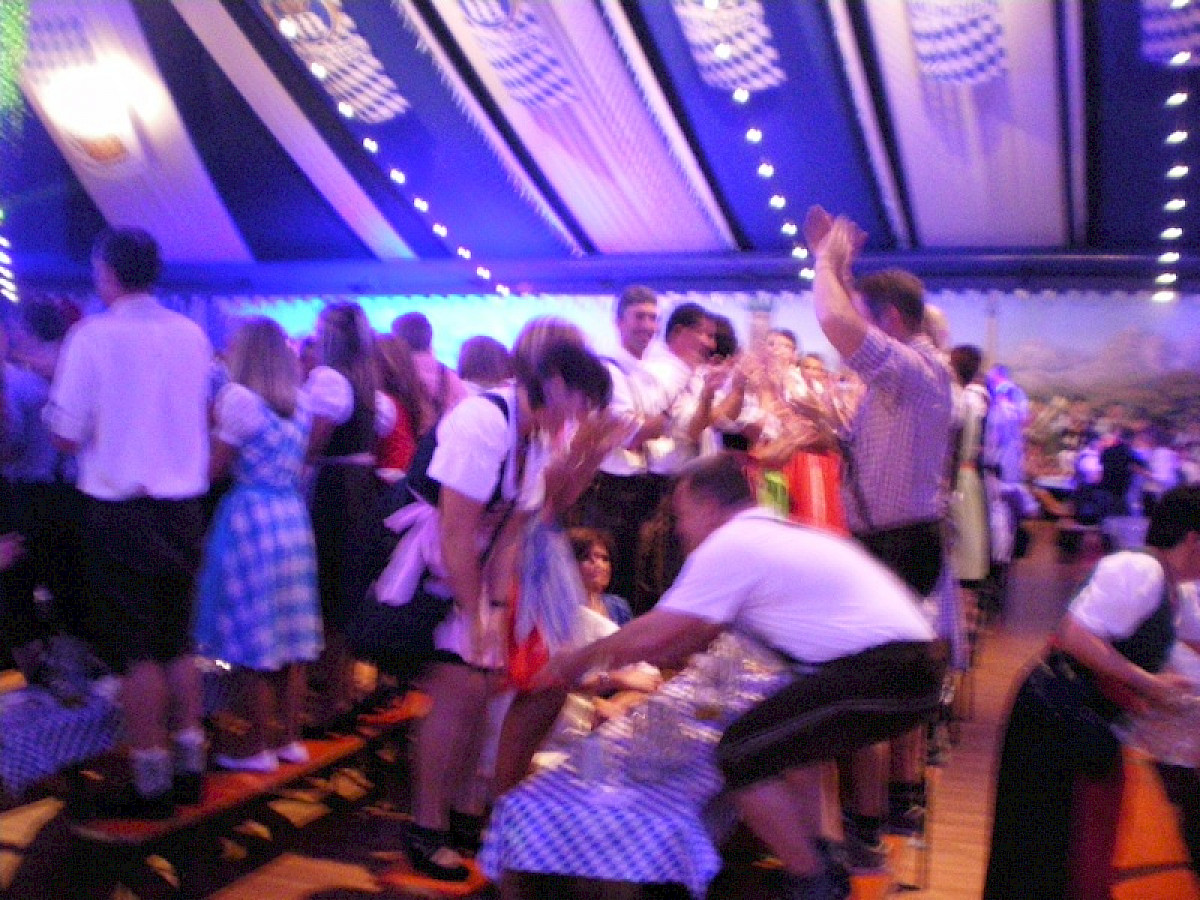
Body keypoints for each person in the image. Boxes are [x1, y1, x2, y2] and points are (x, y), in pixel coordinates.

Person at [536, 452, 944, 900]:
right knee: (789, 747)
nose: (679, 530)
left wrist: (582, 659)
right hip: (906, 666)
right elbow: (692, 635)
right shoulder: (769, 531)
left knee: (739, 755)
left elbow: (664, 629)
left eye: (681, 516)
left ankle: (815, 882)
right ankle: (820, 860)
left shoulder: (733, 542)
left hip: (886, 670)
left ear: (708, 505)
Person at [404, 321, 621, 881]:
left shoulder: (533, 434)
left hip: (478, 562)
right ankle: (425, 826)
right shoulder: (484, 420)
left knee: (482, 689)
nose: (576, 420)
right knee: (458, 692)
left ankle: (460, 815)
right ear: (554, 382)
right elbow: (454, 532)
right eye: (579, 405)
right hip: (429, 564)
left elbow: (513, 533)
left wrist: (496, 610)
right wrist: (474, 609)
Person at [46, 228, 212, 818]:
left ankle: (151, 782)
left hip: (122, 511)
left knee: (138, 651)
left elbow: (66, 434)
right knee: (178, 642)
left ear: (107, 272)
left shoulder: (92, 336)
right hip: (183, 508)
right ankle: (191, 765)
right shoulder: (191, 334)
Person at [984, 486, 1200, 899]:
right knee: (1037, 853)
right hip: (1052, 716)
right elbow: (1074, 635)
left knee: (1062, 855)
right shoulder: (1139, 570)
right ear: (1193, 540)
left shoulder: (1172, 588)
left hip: (1077, 722)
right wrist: (1147, 682)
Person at [194, 318, 323, 772]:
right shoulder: (302, 403)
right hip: (290, 514)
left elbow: (212, 469)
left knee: (254, 635)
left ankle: (255, 746)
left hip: (250, 515)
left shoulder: (239, 399)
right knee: (291, 634)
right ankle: (288, 738)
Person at [306, 302, 396, 731]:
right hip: (362, 488)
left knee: (329, 590)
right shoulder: (371, 389)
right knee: (348, 592)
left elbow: (314, 442)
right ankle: (343, 693)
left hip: (335, 488)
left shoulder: (328, 380)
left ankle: (330, 699)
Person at [572, 285, 673, 607]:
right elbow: (634, 433)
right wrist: (671, 414)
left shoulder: (650, 373)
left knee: (644, 580)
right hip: (611, 491)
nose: (648, 326)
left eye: (653, 318)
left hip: (647, 487)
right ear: (619, 321)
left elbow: (649, 430)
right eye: (639, 317)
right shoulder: (607, 369)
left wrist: (657, 423)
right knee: (610, 580)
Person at [391, 311, 467, 435]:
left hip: (406, 443)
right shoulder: (451, 376)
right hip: (444, 442)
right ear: (430, 336)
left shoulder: (392, 374)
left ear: (396, 338)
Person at [568, 526, 632, 626]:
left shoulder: (618, 607)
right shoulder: (561, 609)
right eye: (587, 557)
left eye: (605, 559)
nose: (599, 565)